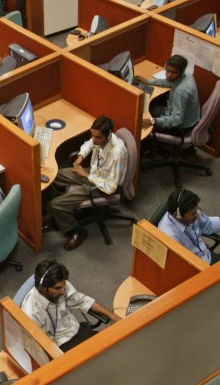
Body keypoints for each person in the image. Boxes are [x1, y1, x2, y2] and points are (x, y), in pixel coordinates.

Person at [43, 116, 128, 251]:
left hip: (100, 186)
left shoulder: (117, 153)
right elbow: (89, 144)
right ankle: (61, 215)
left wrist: (87, 175)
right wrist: (81, 156)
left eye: (98, 137)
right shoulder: (99, 138)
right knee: (52, 176)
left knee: (55, 204)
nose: (94, 140)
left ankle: (78, 231)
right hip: (93, 173)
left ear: (108, 135)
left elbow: (111, 187)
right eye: (92, 135)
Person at [21, 259, 120, 352]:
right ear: (42, 288)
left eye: (64, 285)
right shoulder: (32, 313)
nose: (63, 290)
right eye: (58, 288)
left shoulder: (60, 285)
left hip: (77, 331)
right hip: (60, 347)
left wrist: (113, 316)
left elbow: (83, 300)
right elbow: (38, 347)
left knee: (112, 346)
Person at [138, 55, 200, 134]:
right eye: (167, 70)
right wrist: (148, 82)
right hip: (190, 117)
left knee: (142, 126)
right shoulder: (186, 74)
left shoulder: (181, 91)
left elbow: (177, 120)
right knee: (152, 108)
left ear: (181, 72)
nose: (169, 75)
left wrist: (153, 120)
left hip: (181, 127)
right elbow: (169, 81)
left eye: (174, 72)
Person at [158, 188, 220, 264]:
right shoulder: (170, 237)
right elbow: (181, 265)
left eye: (197, 210)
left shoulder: (191, 211)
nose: (197, 215)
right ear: (177, 215)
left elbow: (208, 225)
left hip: (205, 253)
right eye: (193, 214)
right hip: (197, 267)